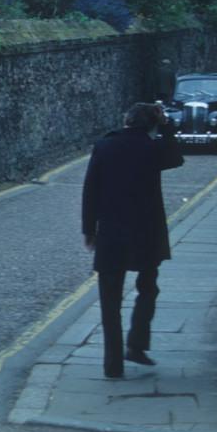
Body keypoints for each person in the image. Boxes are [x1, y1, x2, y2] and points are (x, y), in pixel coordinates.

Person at [81, 101, 185, 378]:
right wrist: (168, 127)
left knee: (109, 300)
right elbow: (177, 158)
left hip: (112, 232)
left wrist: (88, 229)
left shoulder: (105, 145)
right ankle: (137, 345)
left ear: (127, 120)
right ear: (152, 124)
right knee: (148, 289)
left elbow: (90, 189)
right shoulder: (153, 149)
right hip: (146, 232)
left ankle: (112, 365)